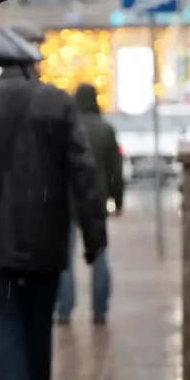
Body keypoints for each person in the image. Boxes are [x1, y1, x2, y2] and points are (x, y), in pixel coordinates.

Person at [0, 62, 107, 380]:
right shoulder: (57, 102)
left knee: (5, 324)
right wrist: (94, 236)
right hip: (46, 235)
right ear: (32, 63)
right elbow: (84, 171)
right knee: (37, 325)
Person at [56, 84, 123, 327]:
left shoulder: (67, 127)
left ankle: (64, 310)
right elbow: (116, 170)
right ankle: (100, 310)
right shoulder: (105, 129)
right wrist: (118, 199)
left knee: (65, 258)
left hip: (68, 199)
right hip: (95, 199)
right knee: (100, 254)